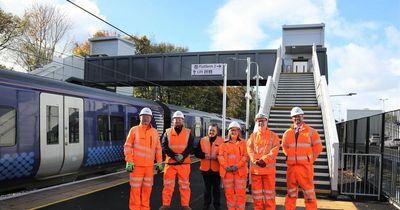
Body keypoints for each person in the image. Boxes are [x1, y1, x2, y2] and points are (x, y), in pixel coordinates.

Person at [282, 107, 323, 210]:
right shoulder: (287, 133)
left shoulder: (311, 131)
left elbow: (318, 148)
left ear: (302, 116)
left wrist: (310, 159)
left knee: (309, 194)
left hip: (305, 168)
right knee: (291, 194)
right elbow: (284, 147)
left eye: (299, 116)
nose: (297, 118)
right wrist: (289, 156)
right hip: (292, 168)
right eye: (295, 116)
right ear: (292, 118)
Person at [124, 107, 163, 210]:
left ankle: (145, 208)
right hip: (136, 167)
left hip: (149, 168)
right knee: (135, 191)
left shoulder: (154, 132)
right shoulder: (134, 130)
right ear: (139, 117)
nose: (146, 119)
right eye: (144, 117)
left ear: (151, 118)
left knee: (147, 190)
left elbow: (158, 148)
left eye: (148, 117)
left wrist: (159, 162)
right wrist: (129, 161)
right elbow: (127, 146)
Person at [159, 111, 194, 210]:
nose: (177, 120)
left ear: (183, 120)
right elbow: (164, 146)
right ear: (173, 120)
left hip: (184, 164)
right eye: (175, 119)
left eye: (179, 119)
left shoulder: (188, 132)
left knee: (185, 186)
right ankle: (165, 205)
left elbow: (191, 146)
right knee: (167, 186)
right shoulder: (167, 132)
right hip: (170, 163)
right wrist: (174, 156)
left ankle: (185, 205)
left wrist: (182, 155)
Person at [247, 113, 280, 210]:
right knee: (257, 197)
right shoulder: (253, 136)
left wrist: (264, 160)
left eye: (262, 120)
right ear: (256, 122)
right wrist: (256, 160)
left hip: (268, 172)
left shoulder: (273, 136)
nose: (260, 122)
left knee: (269, 196)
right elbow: (249, 149)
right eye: (258, 120)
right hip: (256, 172)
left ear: (266, 121)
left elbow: (275, 150)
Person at [218, 121, 248, 210]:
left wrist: (237, 166)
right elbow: (220, 156)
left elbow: (246, 156)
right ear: (229, 131)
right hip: (227, 173)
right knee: (229, 194)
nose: (234, 132)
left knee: (241, 194)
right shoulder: (223, 144)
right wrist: (226, 166)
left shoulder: (243, 143)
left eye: (236, 130)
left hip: (240, 173)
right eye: (232, 130)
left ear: (239, 132)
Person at [194, 123, 224, 210]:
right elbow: (196, 152)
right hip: (205, 169)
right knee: (207, 189)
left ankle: (217, 206)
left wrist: (217, 157)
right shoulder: (202, 140)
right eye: (210, 130)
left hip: (216, 169)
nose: (211, 132)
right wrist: (203, 155)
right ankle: (206, 205)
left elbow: (224, 154)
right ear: (208, 130)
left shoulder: (221, 141)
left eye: (213, 130)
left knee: (216, 189)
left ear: (217, 131)